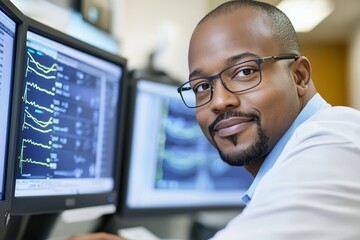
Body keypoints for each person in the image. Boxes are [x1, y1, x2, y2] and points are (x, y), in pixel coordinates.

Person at [67, 0, 360, 239]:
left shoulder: (334, 145)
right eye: (202, 87)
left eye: (245, 72)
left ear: (299, 76)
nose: (219, 101)